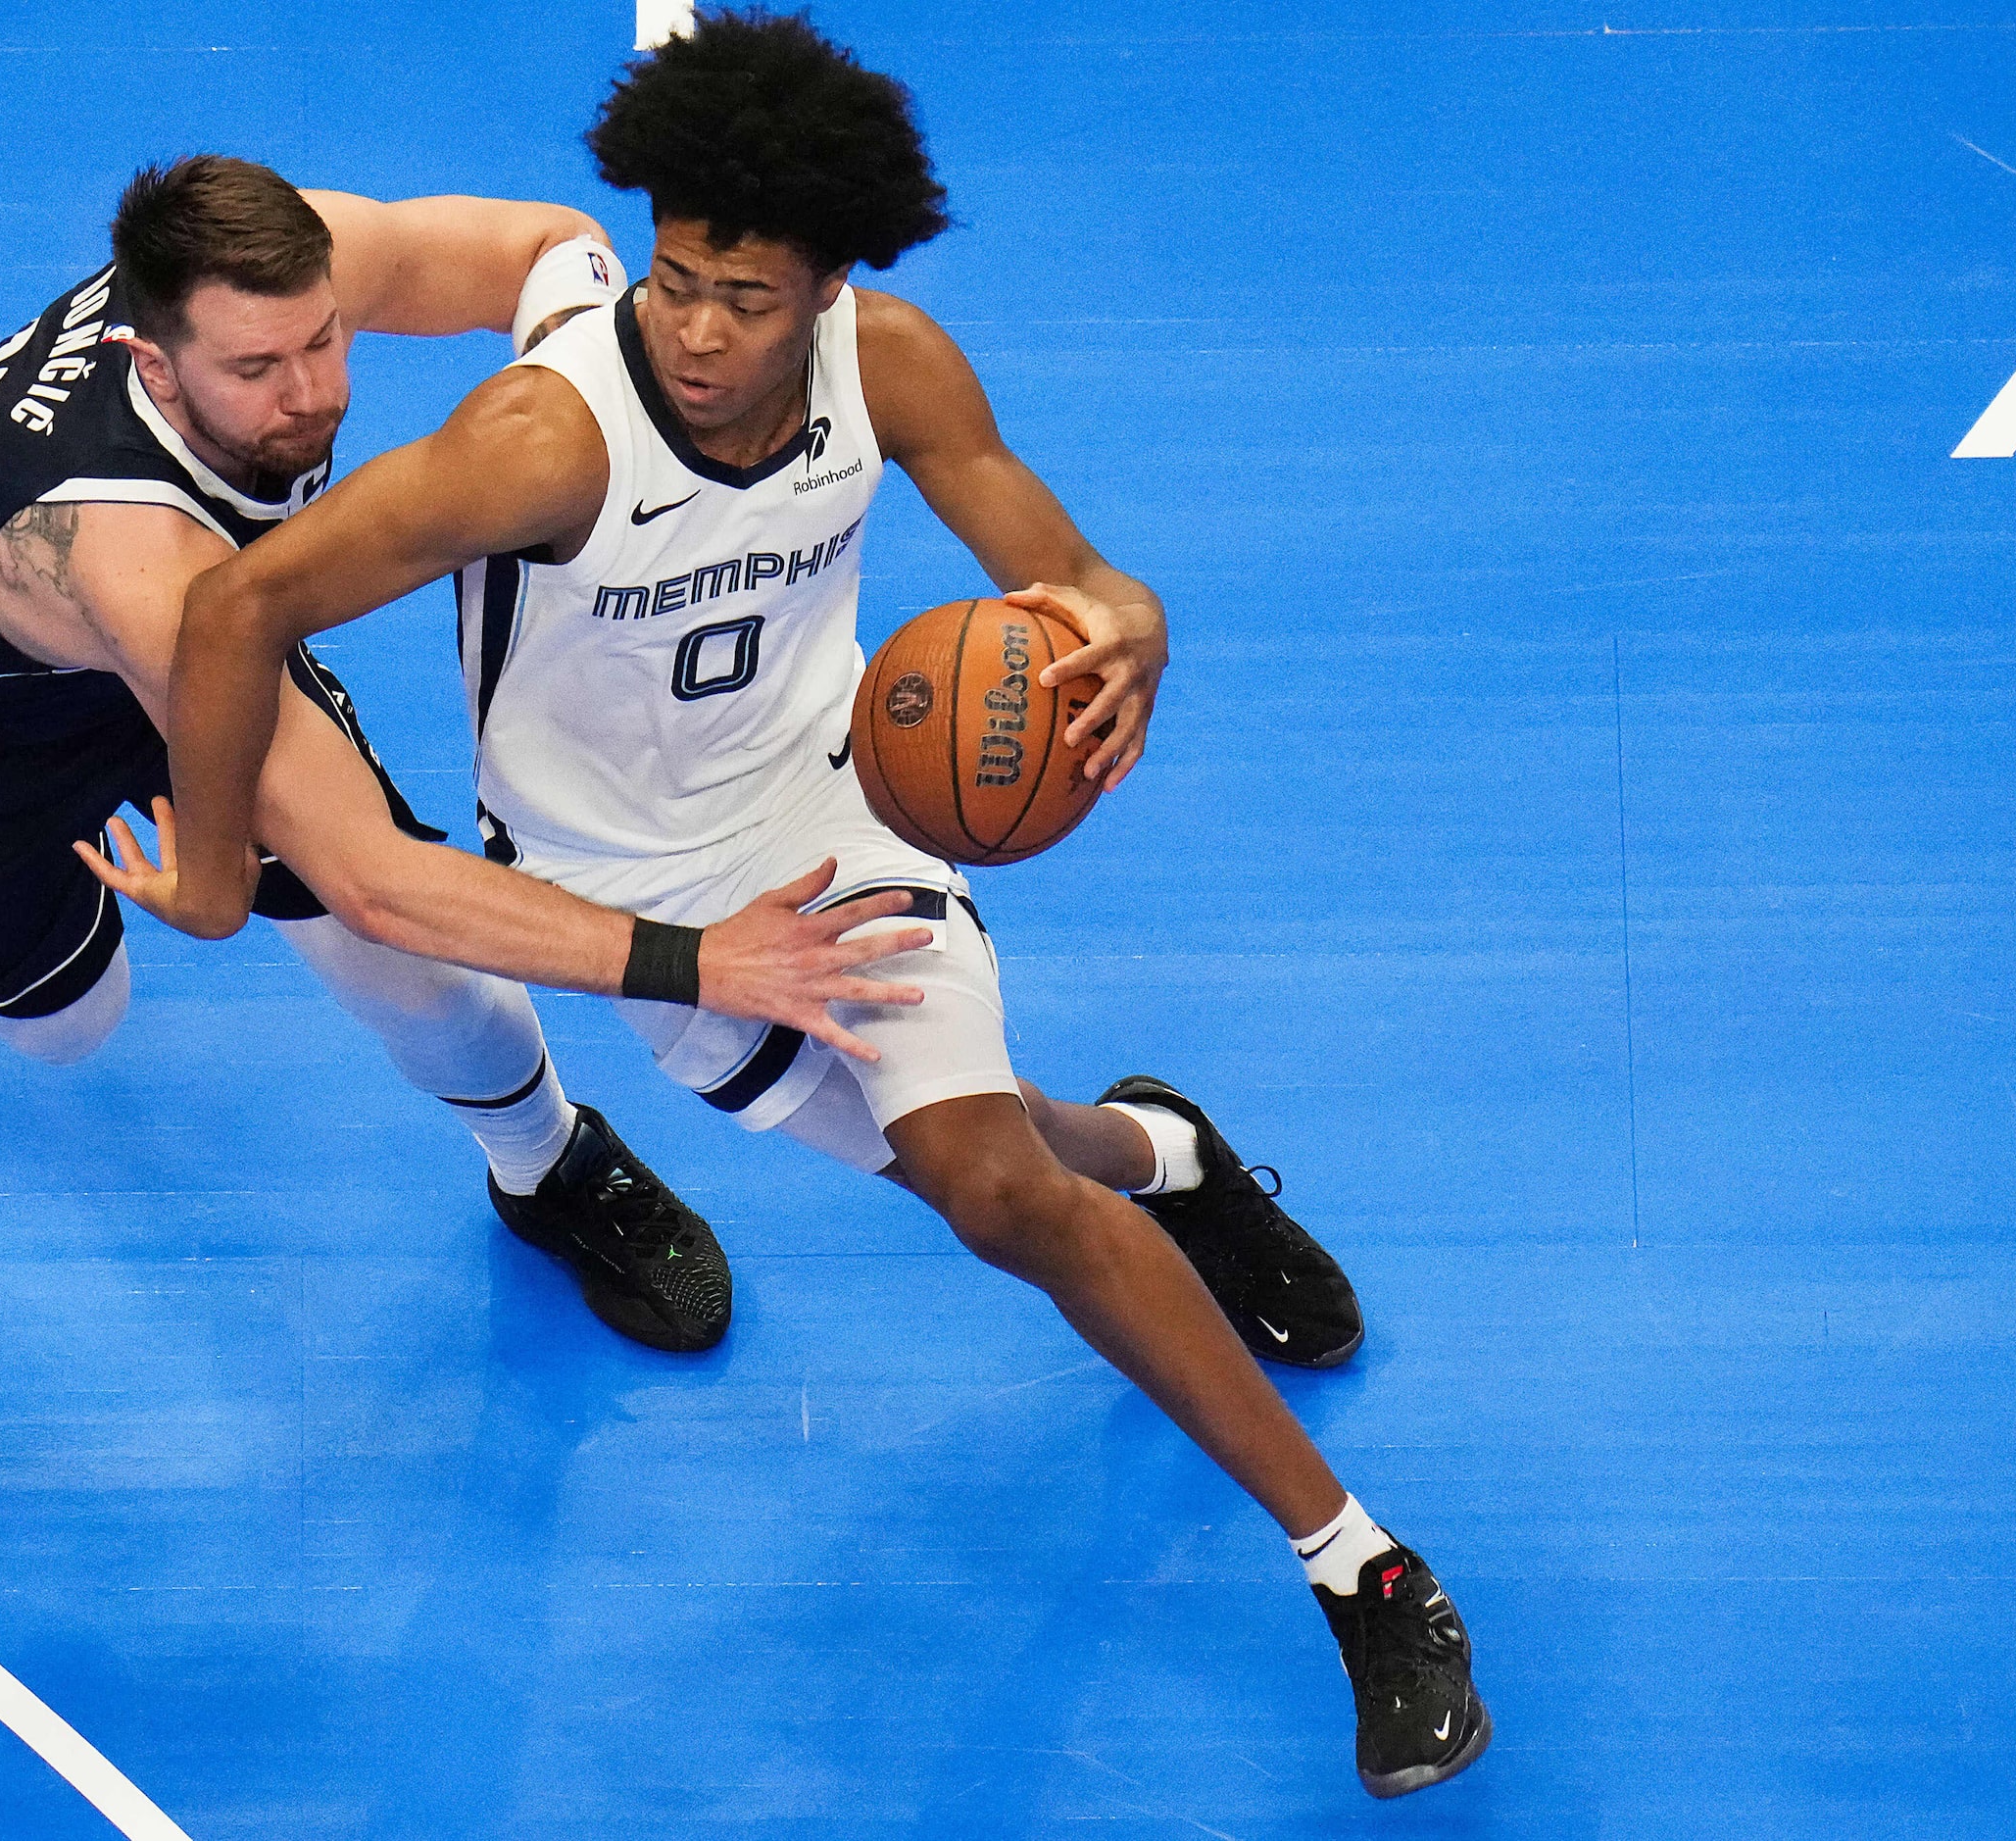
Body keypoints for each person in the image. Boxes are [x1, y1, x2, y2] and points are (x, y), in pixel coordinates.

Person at [124, 17, 1483, 1799]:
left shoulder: (894, 366)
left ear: (830, 288)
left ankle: (1366, 1569)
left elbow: (1067, 571)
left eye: (748, 298)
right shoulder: (539, 445)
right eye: (676, 279)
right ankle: (1168, 1154)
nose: (696, 330)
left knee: (994, 1191)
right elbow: (237, 614)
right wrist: (221, 880)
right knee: (979, 1160)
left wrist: (1125, 621)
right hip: (623, 907)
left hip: (835, 819)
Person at [0, 157, 944, 1355]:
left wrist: (604, 409)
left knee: (417, 981)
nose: (311, 397)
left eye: (324, 344)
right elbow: (374, 876)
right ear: (152, 365)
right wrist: (696, 958)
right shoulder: (137, 558)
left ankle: (545, 1163)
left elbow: (546, 247)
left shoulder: (293, 273)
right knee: (67, 1026)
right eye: (258, 372)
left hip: (196, 643)